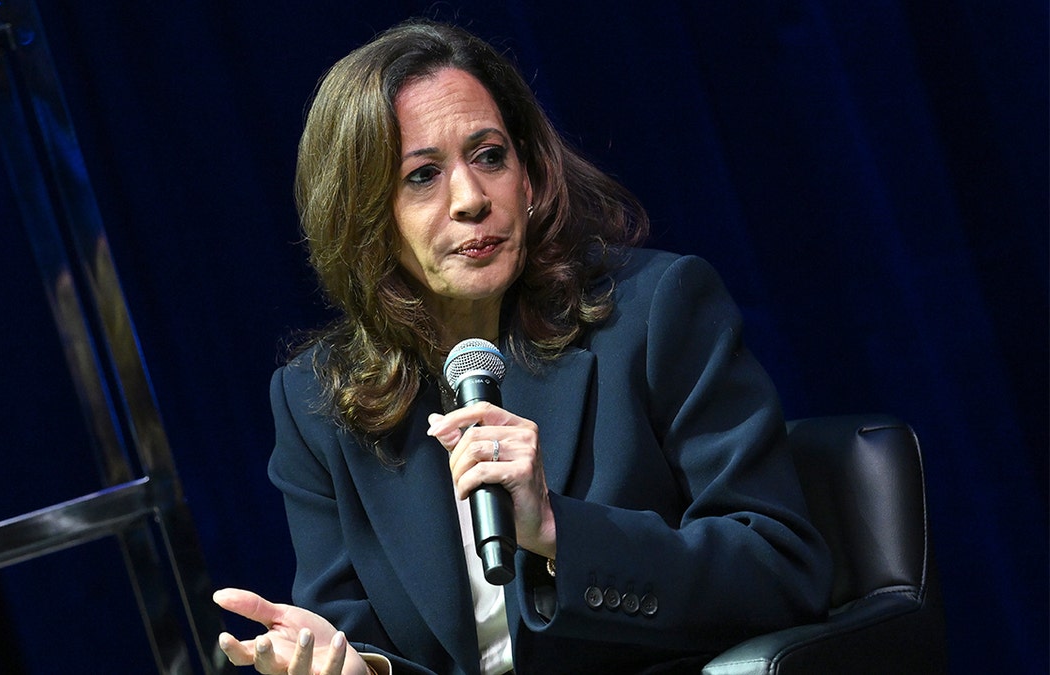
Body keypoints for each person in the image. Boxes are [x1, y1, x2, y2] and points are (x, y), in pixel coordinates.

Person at [214, 19, 831, 675]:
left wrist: (559, 531)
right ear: (364, 217)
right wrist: (362, 667)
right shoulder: (316, 400)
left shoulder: (658, 312)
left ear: (529, 175)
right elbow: (356, 631)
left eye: (489, 156)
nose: (472, 199)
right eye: (423, 175)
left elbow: (780, 568)